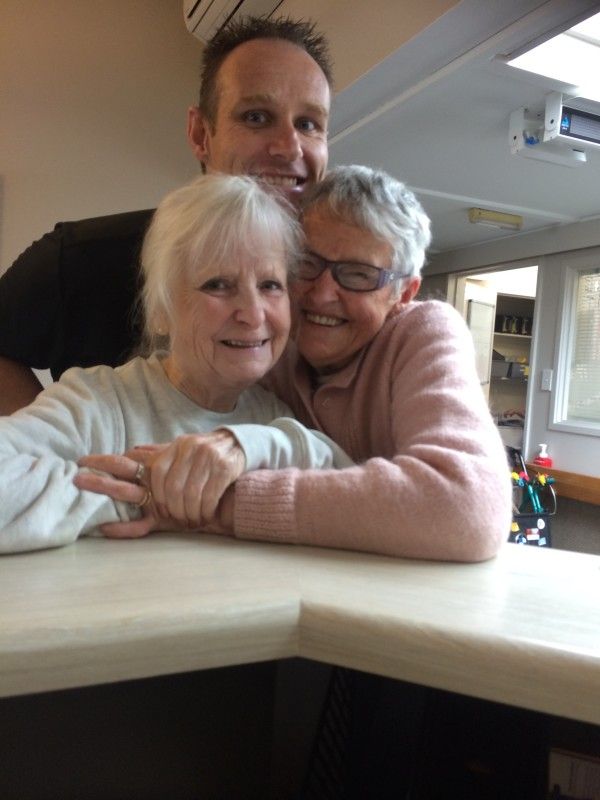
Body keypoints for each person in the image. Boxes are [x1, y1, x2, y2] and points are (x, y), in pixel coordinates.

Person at [78, 166, 512, 562]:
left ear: (403, 293)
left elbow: (467, 508)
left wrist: (211, 504)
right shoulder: (265, 349)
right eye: (308, 264)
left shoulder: (424, 333)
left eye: (357, 275)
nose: (321, 295)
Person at [0, 174, 352, 554]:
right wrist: (144, 496)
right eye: (218, 284)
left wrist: (257, 445)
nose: (253, 314)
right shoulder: (99, 404)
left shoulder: (271, 415)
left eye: (270, 285)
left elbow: (348, 493)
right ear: (160, 312)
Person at [0, 16, 332, 414]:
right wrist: (60, 444)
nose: (289, 147)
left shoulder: (340, 287)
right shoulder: (80, 260)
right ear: (200, 134)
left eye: (308, 124)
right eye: (256, 117)